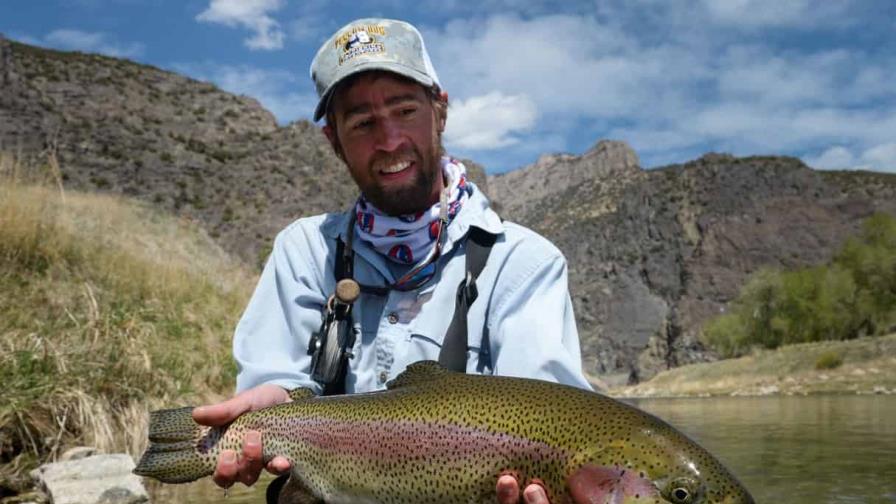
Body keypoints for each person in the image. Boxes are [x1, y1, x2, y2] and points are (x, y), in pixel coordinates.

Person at [191, 18, 591, 504]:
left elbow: (552, 417)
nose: (389, 141)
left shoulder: (525, 263)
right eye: (362, 123)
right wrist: (266, 407)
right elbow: (278, 380)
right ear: (333, 141)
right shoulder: (305, 249)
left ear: (440, 111)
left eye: (405, 110)